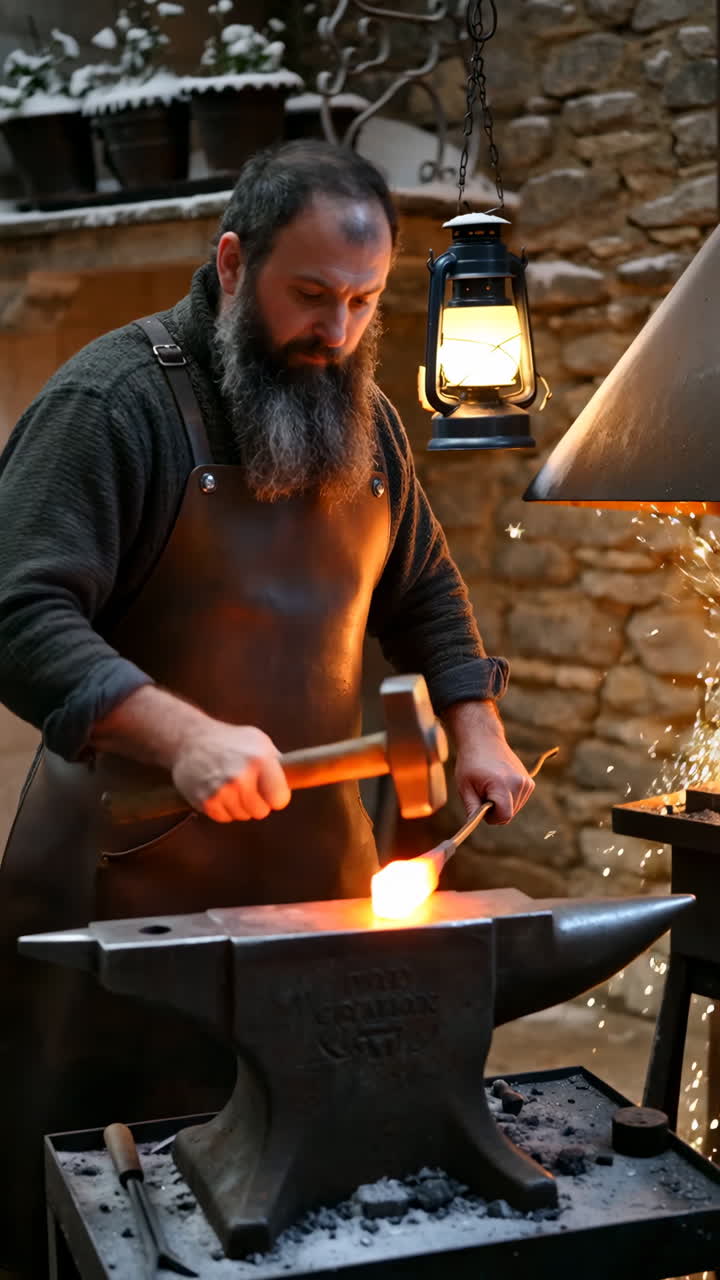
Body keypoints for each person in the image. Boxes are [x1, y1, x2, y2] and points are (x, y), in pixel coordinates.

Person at [0, 139, 533, 1276]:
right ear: (233, 262)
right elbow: (17, 611)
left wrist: (475, 727)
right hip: (124, 893)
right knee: (101, 1198)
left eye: (362, 300)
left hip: (320, 896)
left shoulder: (370, 422)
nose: (337, 331)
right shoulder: (114, 404)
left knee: (299, 1195)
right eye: (311, 295)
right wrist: (181, 731)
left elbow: (428, 589)